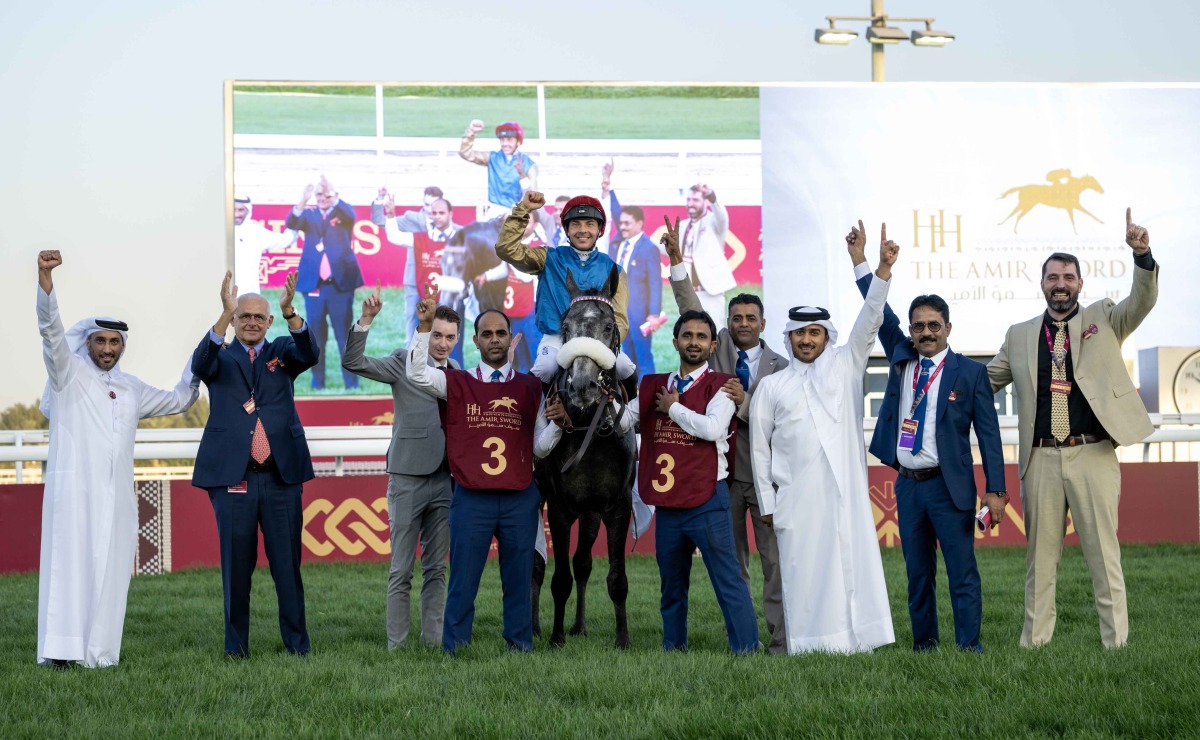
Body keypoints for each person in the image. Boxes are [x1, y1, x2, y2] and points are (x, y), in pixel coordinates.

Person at [987, 208, 1158, 649]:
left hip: (1093, 455)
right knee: (1040, 563)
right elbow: (983, 382)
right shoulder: (1020, 334)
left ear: (1079, 284)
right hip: (1039, 458)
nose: (1060, 285)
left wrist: (1141, 255)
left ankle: (1115, 645)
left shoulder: (1104, 318)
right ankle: (1035, 644)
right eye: (1052, 277)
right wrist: (938, 370)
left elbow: (1141, 301)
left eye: (1068, 277)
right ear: (1042, 283)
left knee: (1104, 556)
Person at [35, 250, 199, 669]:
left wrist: (204, 358)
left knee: (110, 573)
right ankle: (62, 652)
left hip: (117, 499)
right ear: (87, 342)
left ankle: (100, 654)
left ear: (122, 345)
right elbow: (51, 334)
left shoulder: (131, 387)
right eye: (100, 341)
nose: (107, 349)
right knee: (69, 566)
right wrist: (45, 282)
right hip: (73, 494)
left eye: (114, 342)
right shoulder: (67, 374)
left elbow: (180, 398)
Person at [847, 221, 1006, 652]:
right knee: (918, 574)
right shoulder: (902, 356)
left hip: (949, 487)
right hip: (908, 486)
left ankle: (969, 648)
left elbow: (989, 439)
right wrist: (864, 262)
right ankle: (925, 646)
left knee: (961, 572)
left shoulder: (970, 374)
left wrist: (995, 492)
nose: (925, 333)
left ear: (948, 328)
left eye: (933, 325)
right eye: (918, 326)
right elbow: (879, 311)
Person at [749, 223, 898, 655]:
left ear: (825, 335)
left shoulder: (846, 364)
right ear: (789, 338)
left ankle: (856, 641)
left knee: (850, 566)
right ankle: (811, 646)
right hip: (795, 498)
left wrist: (875, 266)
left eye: (815, 332)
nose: (807, 339)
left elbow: (871, 317)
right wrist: (766, 502)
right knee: (805, 572)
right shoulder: (772, 386)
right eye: (800, 333)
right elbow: (759, 450)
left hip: (845, 493)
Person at [663, 218, 788, 655]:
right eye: (735, 318)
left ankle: (780, 641)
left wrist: (747, 401)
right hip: (724, 476)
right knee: (733, 566)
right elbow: (688, 306)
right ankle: (739, 635)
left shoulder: (783, 367)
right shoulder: (718, 349)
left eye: (750, 318)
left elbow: (784, 423)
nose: (742, 323)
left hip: (768, 479)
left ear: (763, 322)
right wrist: (678, 263)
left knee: (775, 564)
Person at [407, 298, 553, 654]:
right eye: (486, 334)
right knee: (463, 579)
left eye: (501, 333)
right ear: (475, 341)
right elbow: (416, 374)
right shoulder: (456, 382)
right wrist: (424, 329)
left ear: (510, 338)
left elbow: (540, 448)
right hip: (472, 495)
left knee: (518, 579)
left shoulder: (530, 387)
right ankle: (455, 647)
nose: (494, 339)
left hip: (519, 494)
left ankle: (519, 645)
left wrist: (560, 427)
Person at [613, 309, 759, 654]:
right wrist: (607, 388)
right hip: (668, 504)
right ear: (675, 340)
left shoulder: (723, 386)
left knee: (728, 580)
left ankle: (748, 650)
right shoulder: (653, 385)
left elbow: (712, 429)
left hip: (709, 498)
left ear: (713, 346)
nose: (694, 342)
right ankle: (673, 649)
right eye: (688, 335)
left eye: (701, 337)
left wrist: (674, 408)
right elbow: (621, 422)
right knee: (671, 585)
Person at [192, 270, 319, 658]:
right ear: (233, 320)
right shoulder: (219, 354)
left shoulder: (282, 351)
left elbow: (310, 352)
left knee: (287, 567)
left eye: (258, 317)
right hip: (234, 478)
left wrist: (290, 311)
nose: (250, 322)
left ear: (269, 322)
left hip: (281, 478)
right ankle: (236, 649)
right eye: (242, 316)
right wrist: (222, 313)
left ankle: (297, 646)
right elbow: (199, 365)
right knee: (235, 569)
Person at [341, 284, 461, 648]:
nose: (442, 343)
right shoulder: (401, 359)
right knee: (402, 570)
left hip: (446, 481)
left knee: (438, 570)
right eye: (436, 335)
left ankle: (433, 644)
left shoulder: (457, 371)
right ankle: (397, 647)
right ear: (425, 330)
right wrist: (365, 320)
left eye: (449, 337)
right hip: (407, 478)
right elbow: (352, 363)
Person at [494, 190, 635, 391]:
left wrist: (601, 344)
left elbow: (620, 319)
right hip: (556, 338)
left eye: (589, 224)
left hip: (598, 340)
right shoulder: (547, 258)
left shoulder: (615, 270)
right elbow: (505, 248)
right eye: (576, 224)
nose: (582, 230)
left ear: (600, 230)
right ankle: (534, 421)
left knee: (625, 369)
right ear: (566, 229)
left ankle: (631, 421)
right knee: (545, 369)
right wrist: (523, 210)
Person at [285, 173, 362, 390]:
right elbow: (291, 221)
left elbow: (350, 212)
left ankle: (351, 383)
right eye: (319, 194)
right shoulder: (308, 215)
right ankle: (317, 383)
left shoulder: (343, 213)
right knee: (316, 337)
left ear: (334, 195)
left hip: (340, 286)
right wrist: (303, 198)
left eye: (326, 194)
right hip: (314, 286)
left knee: (344, 335)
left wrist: (332, 195)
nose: (322, 198)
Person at [378, 186, 466, 346]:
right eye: (434, 212)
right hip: (421, 290)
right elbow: (395, 237)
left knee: (451, 341)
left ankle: (451, 371)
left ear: (450, 213)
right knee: (417, 336)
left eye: (441, 212)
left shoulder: (461, 236)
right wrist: (390, 215)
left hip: (449, 296)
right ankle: (413, 368)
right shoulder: (420, 237)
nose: (437, 216)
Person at [609, 205, 665, 381]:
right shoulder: (619, 244)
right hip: (620, 313)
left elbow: (656, 283)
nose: (623, 226)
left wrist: (654, 314)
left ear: (639, 223)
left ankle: (649, 397)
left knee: (644, 359)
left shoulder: (649, 248)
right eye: (621, 223)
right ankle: (631, 397)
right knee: (627, 358)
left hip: (639, 314)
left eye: (627, 223)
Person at [679, 183, 737, 320]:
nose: (690, 204)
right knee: (686, 337)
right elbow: (673, 250)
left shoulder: (715, 222)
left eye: (695, 200)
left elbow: (722, 216)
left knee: (713, 337)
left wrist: (712, 196)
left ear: (705, 202)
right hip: (686, 293)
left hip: (710, 293)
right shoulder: (682, 225)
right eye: (688, 200)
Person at [460, 120, 537, 214]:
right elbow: (465, 153)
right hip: (494, 212)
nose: (505, 144)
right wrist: (471, 132)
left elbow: (533, 196)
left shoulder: (529, 164)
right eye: (502, 140)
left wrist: (522, 176)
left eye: (509, 140)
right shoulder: (492, 158)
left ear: (518, 141)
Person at [233, 193, 299, 294]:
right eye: (233, 209)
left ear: (247, 210)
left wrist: (298, 212)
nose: (236, 214)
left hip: (249, 294)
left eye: (240, 210)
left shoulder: (256, 232)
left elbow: (286, 239)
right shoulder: (219, 231)